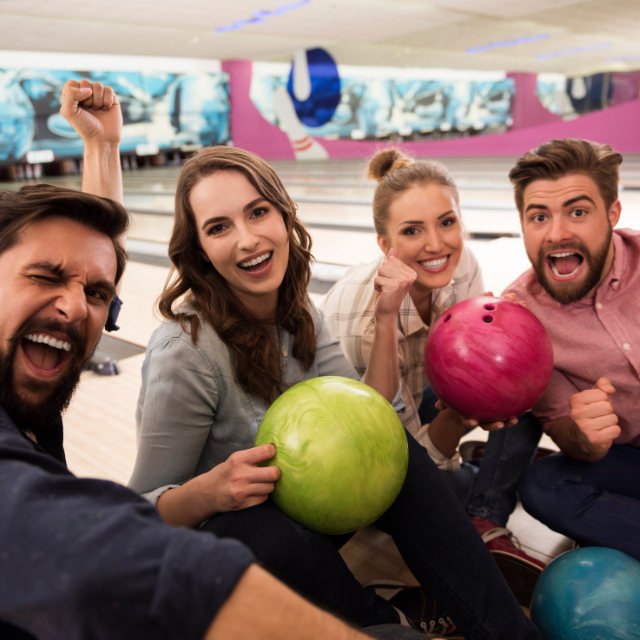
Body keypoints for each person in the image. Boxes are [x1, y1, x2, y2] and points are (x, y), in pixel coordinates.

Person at [68, 83, 542, 638]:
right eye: (219, 227)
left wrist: (390, 318)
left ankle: (507, 631)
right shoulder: (186, 350)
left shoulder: (302, 313)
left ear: (283, 216)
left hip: (318, 514)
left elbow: (372, 416)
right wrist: (214, 489)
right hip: (236, 548)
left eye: (257, 212)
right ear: (199, 249)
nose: (247, 240)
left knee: (401, 454)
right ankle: (384, 624)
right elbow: (144, 512)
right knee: (265, 527)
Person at [0, 93, 425, 640]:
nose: (74, 306)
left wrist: (101, 146)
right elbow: (112, 552)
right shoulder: (185, 349)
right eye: (43, 276)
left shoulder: (35, 360)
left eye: (96, 293)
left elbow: (90, 265)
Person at [322, 149, 546, 594]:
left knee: (521, 373)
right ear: (385, 245)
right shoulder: (363, 322)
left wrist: (503, 347)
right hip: (364, 441)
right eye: (411, 231)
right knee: (438, 493)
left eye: (447, 222)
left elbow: (473, 358)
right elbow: (403, 459)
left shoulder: (460, 264)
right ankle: (484, 480)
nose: (437, 245)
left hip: (423, 389)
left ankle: (485, 494)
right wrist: (458, 418)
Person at [503, 138, 640, 563]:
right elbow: (564, 432)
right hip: (631, 462)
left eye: (577, 212)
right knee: (545, 484)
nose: (557, 233)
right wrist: (585, 438)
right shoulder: (522, 318)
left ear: (612, 215)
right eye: (539, 216)